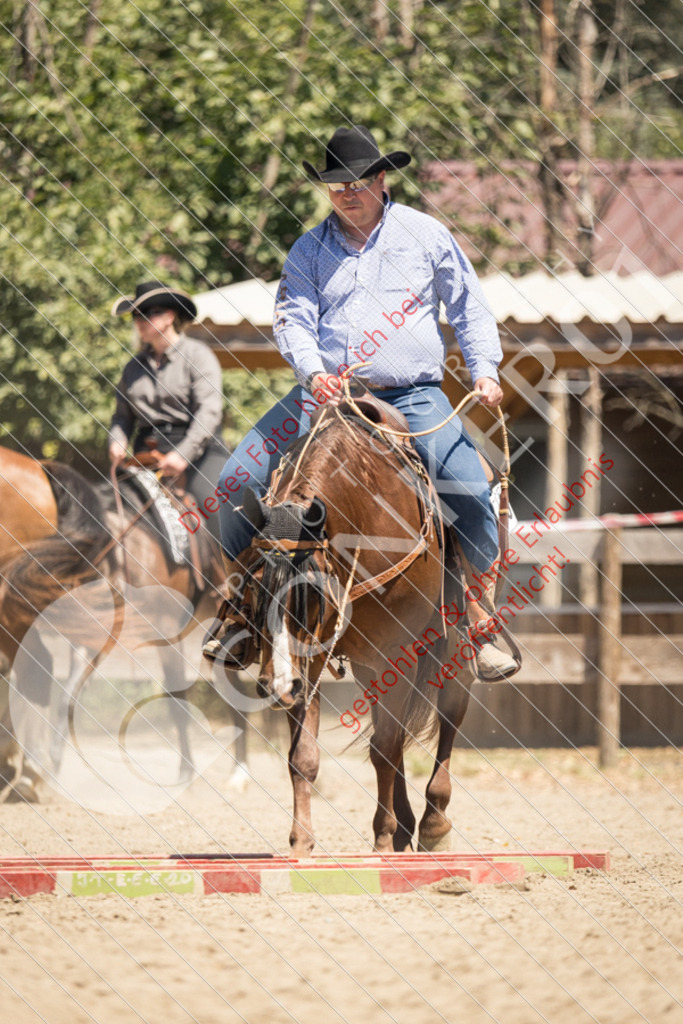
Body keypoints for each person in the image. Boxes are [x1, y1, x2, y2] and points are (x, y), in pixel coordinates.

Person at [209, 125, 516, 678]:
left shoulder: (424, 235)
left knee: (469, 487)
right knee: (235, 479)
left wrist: (485, 371)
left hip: (413, 394)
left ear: (381, 179)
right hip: (327, 394)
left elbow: (468, 307)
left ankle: (478, 620)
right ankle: (239, 612)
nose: (346, 192)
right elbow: (293, 319)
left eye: (356, 182)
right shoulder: (309, 247)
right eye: (335, 185)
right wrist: (314, 372)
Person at [109, 280, 227, 542]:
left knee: (217, 508)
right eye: (135, 315)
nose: (138, 321)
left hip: (199, 451)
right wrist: (117, 440)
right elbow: (122, 416)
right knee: (110, 505)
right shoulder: (133, 367)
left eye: (147, 313)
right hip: (146, 452)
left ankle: (236, 577)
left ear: (169, 317)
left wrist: (182, 456)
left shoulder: (199, 355)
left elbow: (209, 412)